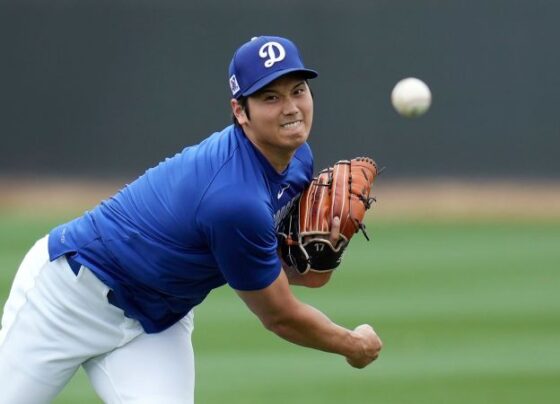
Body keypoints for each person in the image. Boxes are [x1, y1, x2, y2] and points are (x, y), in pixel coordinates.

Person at [0, 35, 382, 403]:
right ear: (240, 111)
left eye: (298, 90)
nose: (291, 108)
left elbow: (290, 271)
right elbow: (279, 314)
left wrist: (322, 255)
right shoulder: (235, 199)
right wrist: (352, 345)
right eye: (270, 97)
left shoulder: (298, 159)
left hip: (156, 322)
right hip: (68, 298)